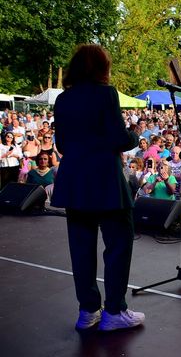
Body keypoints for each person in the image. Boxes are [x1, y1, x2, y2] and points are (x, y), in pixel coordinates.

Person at [51, 44, 144, 331]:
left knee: (81, 249)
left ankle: (88, 309)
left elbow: (62, 145)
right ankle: (114, 311)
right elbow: (118, 138)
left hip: (75, 181)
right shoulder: (106, 94)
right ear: (101, 68)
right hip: (105, 182)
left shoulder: (63, 100)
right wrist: (134, 135)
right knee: (118, 244)